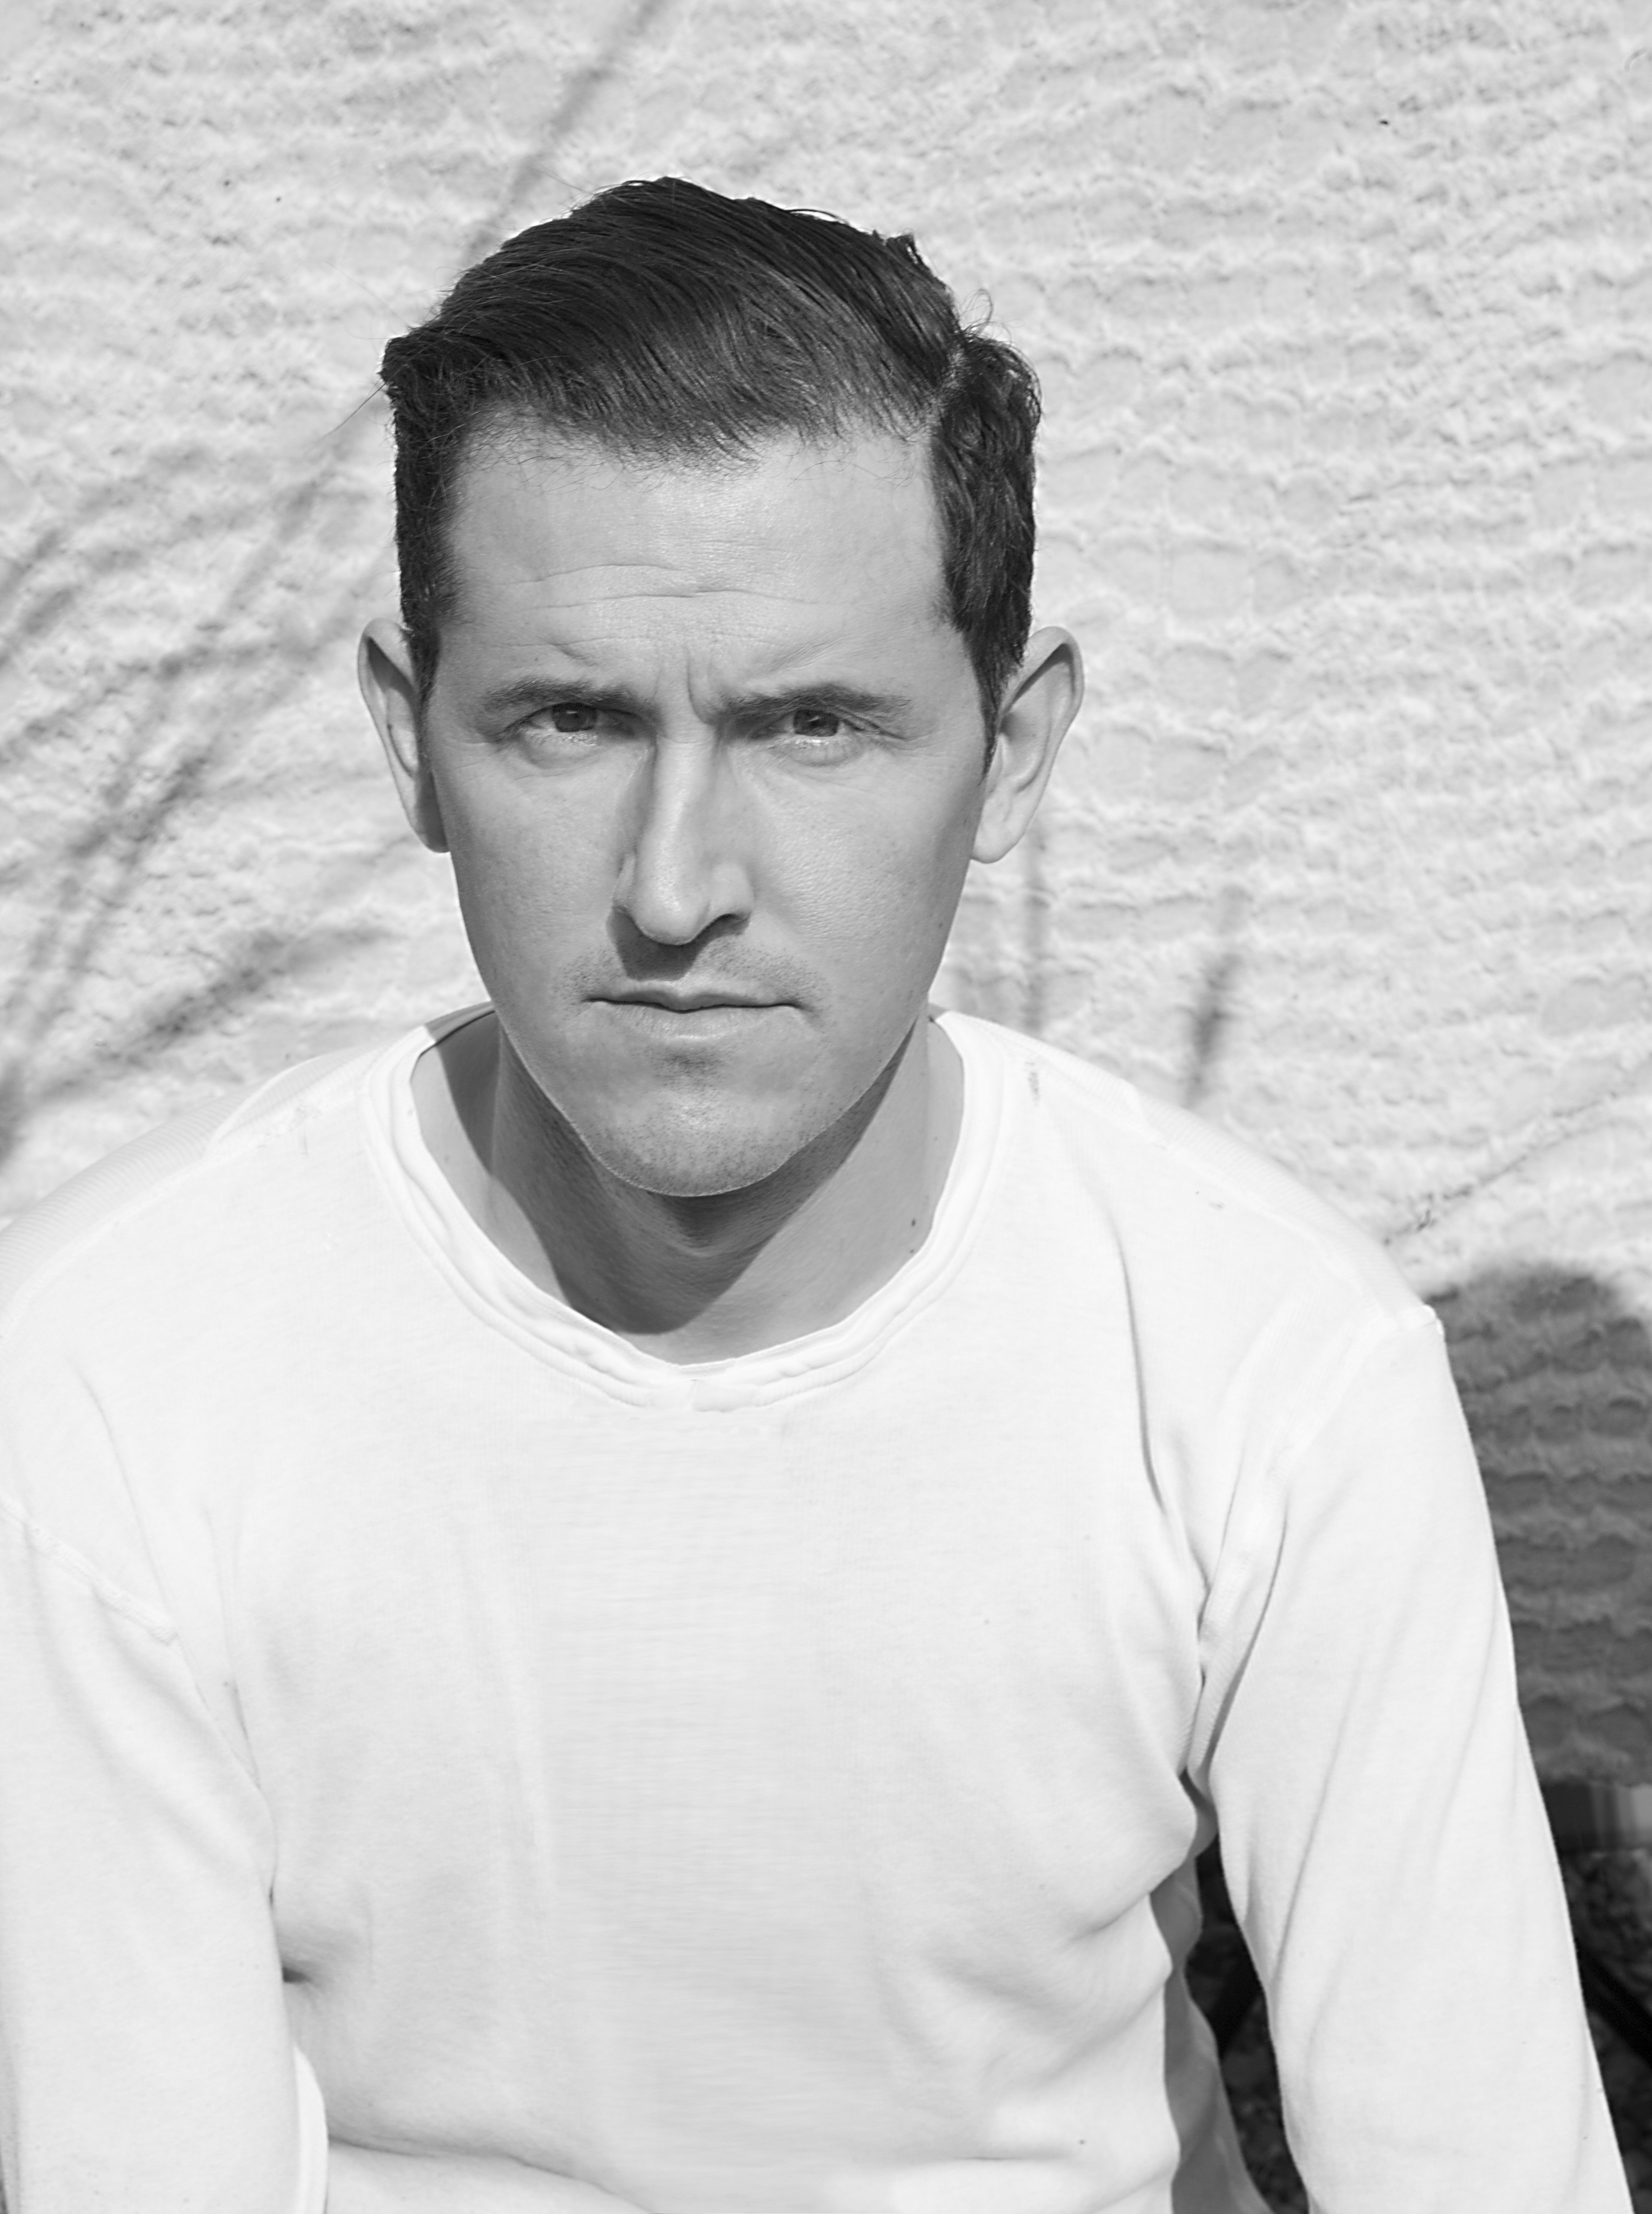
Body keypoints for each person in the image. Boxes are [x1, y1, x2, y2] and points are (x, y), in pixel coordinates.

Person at [0, 178, 1625, 2214]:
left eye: (813, 726)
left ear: (1011, 750)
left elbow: (1475, 2163)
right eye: (569, 719)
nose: (678, 885)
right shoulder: (105, 1367)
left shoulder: (1272, 1365)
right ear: (412, 739)